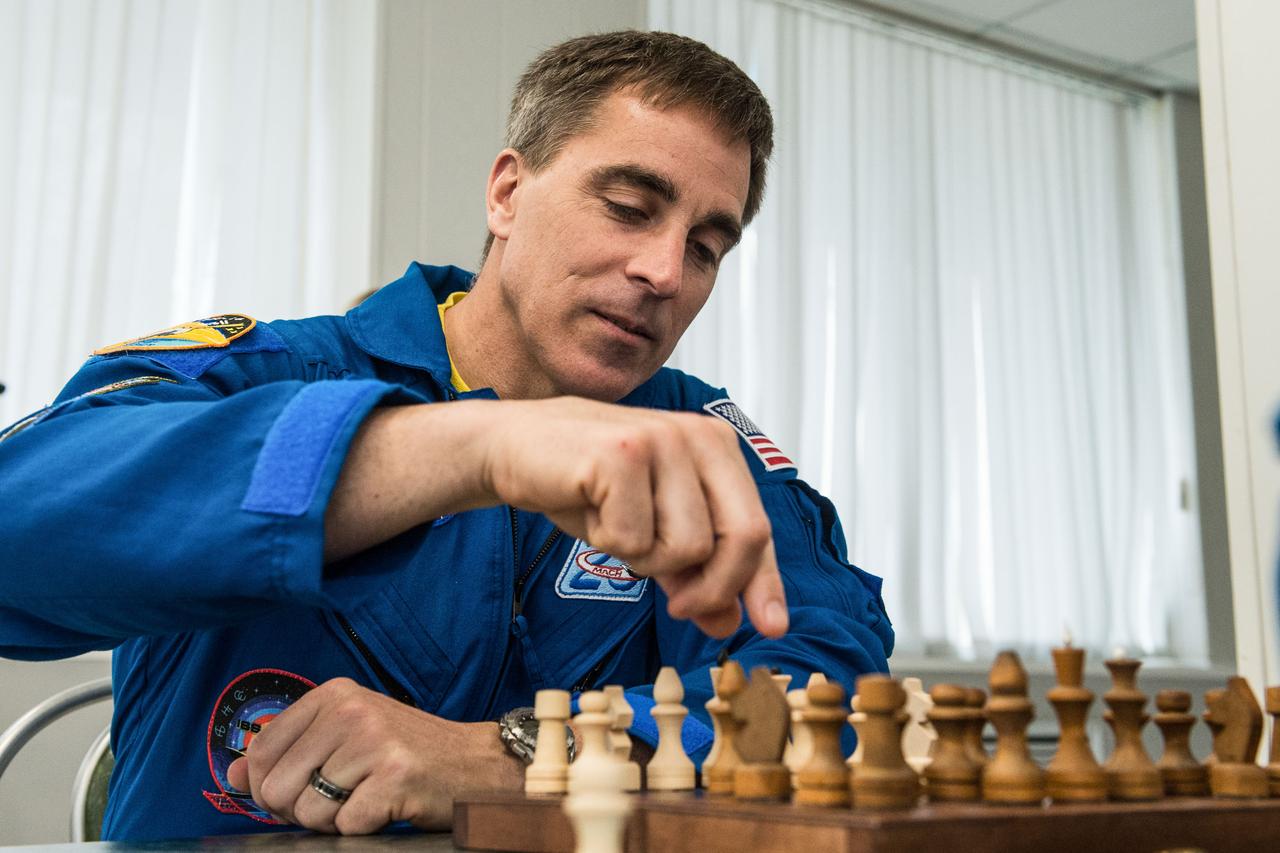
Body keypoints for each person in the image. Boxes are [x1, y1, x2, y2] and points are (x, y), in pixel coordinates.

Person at [0, 31, 893, 840]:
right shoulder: (277, 369)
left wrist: (511, 758)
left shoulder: (698, 440)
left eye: (705, 247)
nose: (663, 270)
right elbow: (19, 527)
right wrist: (476, 448)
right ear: (507, 191)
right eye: (628, 206)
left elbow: (831, 700)